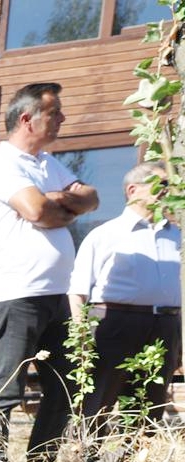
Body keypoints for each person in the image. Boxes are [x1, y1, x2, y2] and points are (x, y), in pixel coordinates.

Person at [0, 82, 99, 462]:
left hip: (57, 294)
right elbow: (37, 210)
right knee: (8, 385)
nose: (62, 118)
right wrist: (60, 204)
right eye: (55, 112)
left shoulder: (47, 163)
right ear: (27, 119)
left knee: (62, 385)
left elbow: (92, 197)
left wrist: (60, 201)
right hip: (16, 292)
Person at [67, 161, 181, 434]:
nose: (166, 191)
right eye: (160, 184)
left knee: (149, 404)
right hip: (114, 324)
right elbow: (78, 289)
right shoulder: (105, 234)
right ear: (132, 190)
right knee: (99, 400)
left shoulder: (178, 236)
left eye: (170, 185)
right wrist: (81, 339)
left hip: (165, 326)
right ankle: (87, 457)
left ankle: (135, 458)